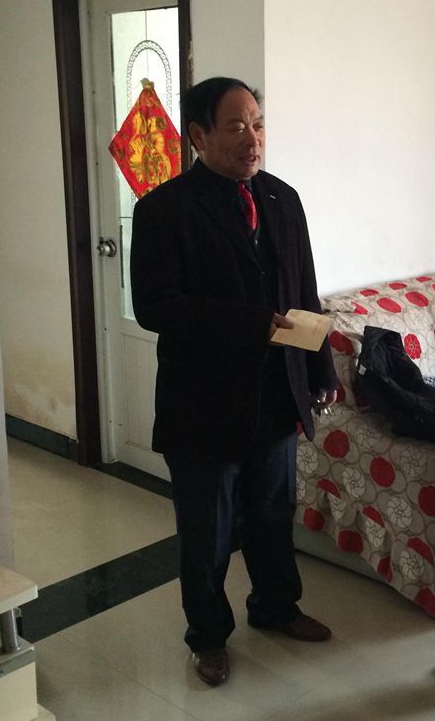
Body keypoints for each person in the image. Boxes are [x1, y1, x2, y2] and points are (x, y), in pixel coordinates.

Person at [131, 77, 337, 688]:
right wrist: (250, 325)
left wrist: (319, 367)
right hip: (203, 402)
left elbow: (303, 290)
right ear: (198, 136)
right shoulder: (164, 210)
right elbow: (155, 306)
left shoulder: (281, 199)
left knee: (272, 514)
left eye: (258, 124)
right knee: (208, 530)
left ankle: (275, 607)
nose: (253, 139)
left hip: (275, 393)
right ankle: (208, 636)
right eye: (236, 126)